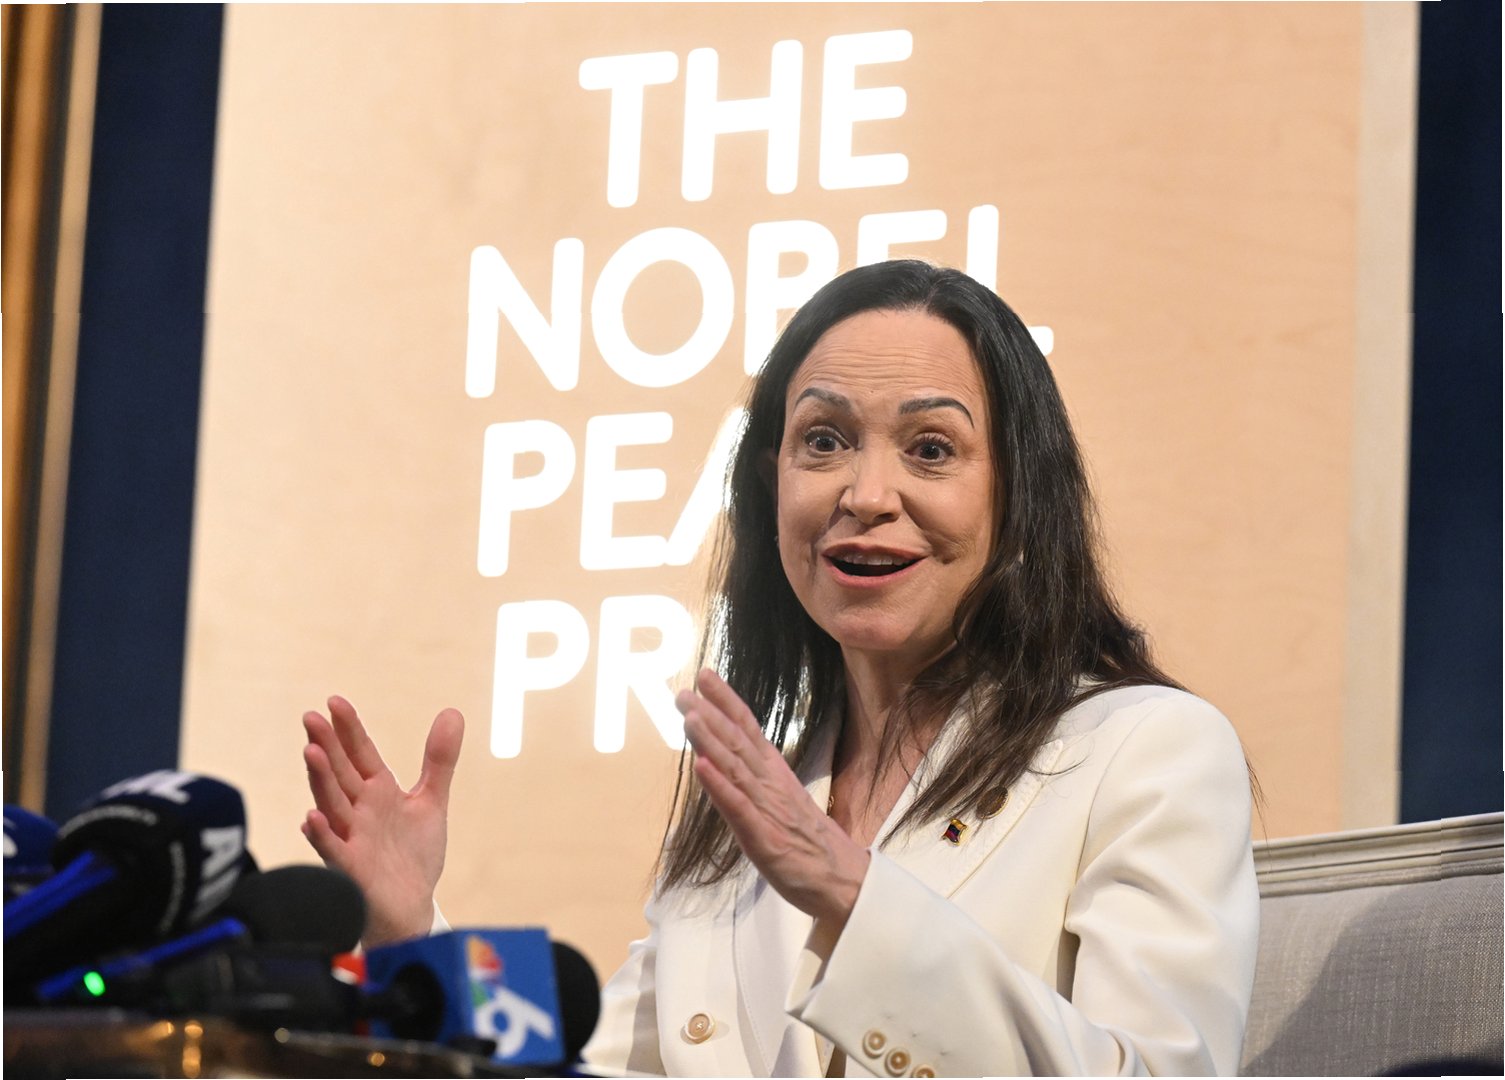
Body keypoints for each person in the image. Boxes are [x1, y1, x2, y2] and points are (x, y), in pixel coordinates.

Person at [301, 260, 1259, 1077]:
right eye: (823, 441)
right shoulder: (754, 803)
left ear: (1017, 496)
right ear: (770, 483)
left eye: (930, 449)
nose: (865, 494)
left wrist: (851, 896)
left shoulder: (1146, 750)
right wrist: (410, 937)